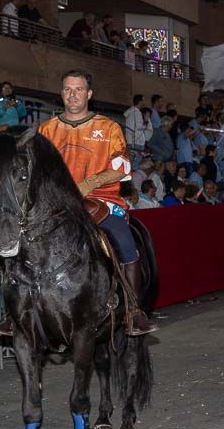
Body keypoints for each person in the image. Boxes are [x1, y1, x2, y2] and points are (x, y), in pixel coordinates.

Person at [35, 70, 155, 335]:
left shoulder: (109, 127)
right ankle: (20, 311)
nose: (72, 95)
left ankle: (134, 310)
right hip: (59, 202)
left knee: (125, 242)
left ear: (89, 94)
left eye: (78, 89)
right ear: (61, 92)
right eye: (67, 89)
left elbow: (122, 167)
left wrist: (88, 184)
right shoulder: (46, 130)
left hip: (101, 199)